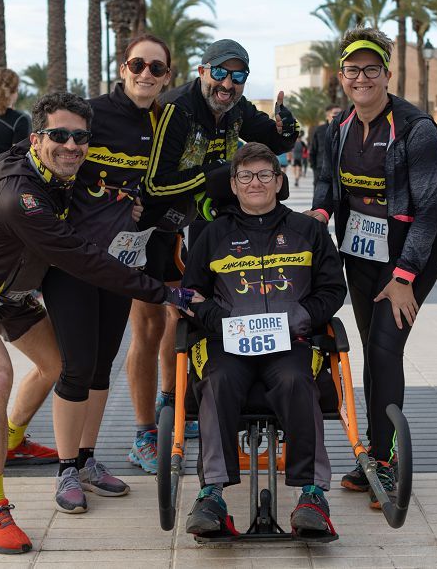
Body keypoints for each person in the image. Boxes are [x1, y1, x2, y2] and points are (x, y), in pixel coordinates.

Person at [0, 91, 198, 554]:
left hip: (15, 294)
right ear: (39, 138)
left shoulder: (47, 164)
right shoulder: (23, 197)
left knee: (58, 368)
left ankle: (13, 438)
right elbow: (83, 258)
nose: (71, 146)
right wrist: (165, 292)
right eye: (59, 135)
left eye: (80, 137)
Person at [126, 38, 298, 474]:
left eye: (238, 76)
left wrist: (288, 129)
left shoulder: (236, 109)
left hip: (191, 228)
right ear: (203, 71)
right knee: (148, 325)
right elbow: (156, 184)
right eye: (220, 72)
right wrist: (215, 176)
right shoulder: (178, 109)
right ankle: (145, 431)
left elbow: (270, 139)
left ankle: (175, 403)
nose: (228, 83)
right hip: (151, 228)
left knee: (181, 316)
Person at [307, 26, 437, 509]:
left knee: (385, 349)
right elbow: (328, 190)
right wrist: (316, 220)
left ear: (387, 74)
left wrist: (404, 277)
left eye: (372, 69)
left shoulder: (416, 129)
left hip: (411, 253)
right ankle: (374, 452)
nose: (362, 77)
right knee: (371, 350)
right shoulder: (336, 129)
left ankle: (387, 463)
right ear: (342, 76)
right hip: (361, 252)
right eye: (353, 69)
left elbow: (430, 211)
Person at [182, 143, 347, 539]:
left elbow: (332, 290)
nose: (255, 182)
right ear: (234, 187)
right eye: (245, 176)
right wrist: (222, 322)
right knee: (218, 381)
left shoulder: (309, 231)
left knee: (294, 380)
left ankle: (311, 496)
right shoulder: (212, 233)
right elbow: (190, 294)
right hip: (227, 342)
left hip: (291, 341)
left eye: (263, 175)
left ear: (279, 181)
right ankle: (211, 495)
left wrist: (299, 318)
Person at [309, 106, 342, 184]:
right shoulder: (319, 130)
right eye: (335, 113)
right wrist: (315, 168)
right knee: (321, 195)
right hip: (321, 171)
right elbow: (313, 150)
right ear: (327, 116)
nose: (339, 115)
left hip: (340, 172)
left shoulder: (345, 129)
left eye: (340, 113)